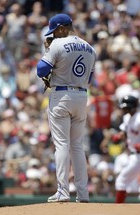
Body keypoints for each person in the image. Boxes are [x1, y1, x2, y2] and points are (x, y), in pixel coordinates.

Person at [36, 13, 96, 203]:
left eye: (55, 31)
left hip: (61, 96)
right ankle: (83, 194)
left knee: (62, 144)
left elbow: (41, 70)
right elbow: (90, 78)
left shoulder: (57, 44)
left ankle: (63, 191)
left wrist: (48, 51)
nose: (54, 35)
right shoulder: (90, 48)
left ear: (62, 28)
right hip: (81, 96)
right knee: (77, 146)